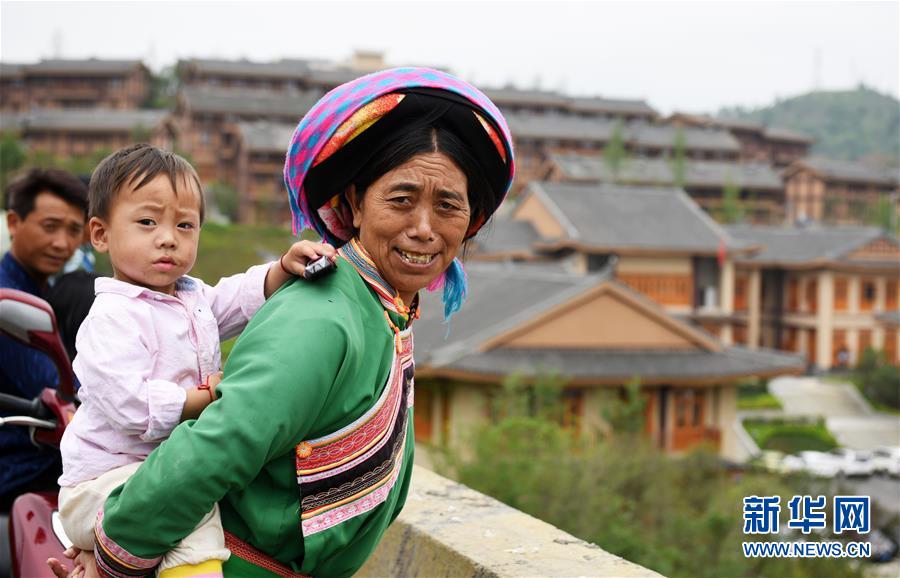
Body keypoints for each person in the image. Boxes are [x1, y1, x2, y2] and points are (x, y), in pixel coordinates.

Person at [51, 68, 515, 578]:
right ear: (355, 202)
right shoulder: (323, 315)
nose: (424, 228)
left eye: (448, 205)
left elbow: (227, 300)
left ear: (471, 221)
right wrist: (117, 554)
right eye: (401, 200)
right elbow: (215, 448)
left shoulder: (378, 308)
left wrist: (271, 272)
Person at [54, 144, 337, 578]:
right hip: (100, 483)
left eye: (185, 225)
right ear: (101, 234)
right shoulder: (112, 317)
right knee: (193, 510)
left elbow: (235, 298)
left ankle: (102, 561)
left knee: (186, 491)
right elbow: (131, 405)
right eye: (147, 222)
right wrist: (203, 398)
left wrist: (281, 269)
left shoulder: (191, 297)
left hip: (151, 473)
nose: (168, 237)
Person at [0, 167, 88, 508]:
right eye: (50, 227)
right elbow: (60, 389)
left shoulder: (46, 290)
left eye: (73, 231)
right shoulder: (8, 300)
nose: (62, 243)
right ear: (14, 223)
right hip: (19, 469)